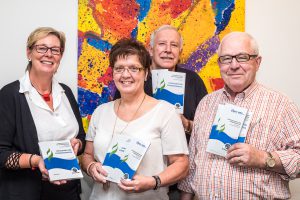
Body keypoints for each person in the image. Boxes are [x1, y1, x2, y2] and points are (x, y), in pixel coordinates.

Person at [178, 32, 300, 199]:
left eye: (242, 57)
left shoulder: (281, 105)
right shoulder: (206, 103)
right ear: (219, 64)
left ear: (257, 62)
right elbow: (193, 165)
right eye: (226, 58)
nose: (233, 65)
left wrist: (263, 158)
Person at [82, 38, 189, 200]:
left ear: (146, 73)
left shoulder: (165, 112)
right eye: (119, 69)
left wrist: (154, 181)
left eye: (134, 68)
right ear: (113, 73)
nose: (126, 75)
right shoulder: (100, 112)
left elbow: (181, 164)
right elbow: (87, 154)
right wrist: (90, 167)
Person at [0, 27, 86, 200]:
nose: (49, 54)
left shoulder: (66, 92)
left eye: (55, 50)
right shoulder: (9, 95)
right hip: (28, 192)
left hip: (68, 192)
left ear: (60, 56)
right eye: (42, 48)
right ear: (29, 52)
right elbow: (1, 153)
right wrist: (37, 161)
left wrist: (78, 144)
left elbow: (81, 137)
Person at [115, 25, 208, 141]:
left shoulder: (193, 80)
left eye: (174, 45)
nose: (168, 50)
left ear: (180, 51)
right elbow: (117, 122)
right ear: (150, 49)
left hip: (183, 153)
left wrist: (187, 125)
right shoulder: (133, 79)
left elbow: (207, 129)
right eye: (162, 44)